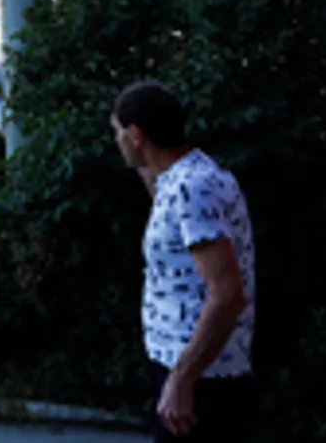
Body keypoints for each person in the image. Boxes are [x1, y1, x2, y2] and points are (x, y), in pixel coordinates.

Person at [110, 81, 257, 442]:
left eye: (118, 133)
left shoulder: (193, 188)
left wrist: (181, 380)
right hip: (192, 369)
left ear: (136, 134)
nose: (115, 143)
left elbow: (227, 295)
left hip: (201, 378)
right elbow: (165, 199)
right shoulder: (182, 179)